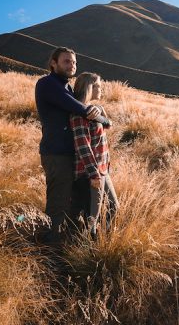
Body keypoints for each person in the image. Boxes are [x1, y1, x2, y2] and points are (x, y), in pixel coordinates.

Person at [35, 47, 107, 246]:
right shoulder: (47, 83)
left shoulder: (66, 87)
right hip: (57, 154)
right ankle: (51, 250)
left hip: (69, 155)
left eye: (74, 62)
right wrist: (104, 119)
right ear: (53, 63)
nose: (72, 65)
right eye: (66, 61)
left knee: (71, 204)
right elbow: (78, 108)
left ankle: (64, 243)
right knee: (58, 204)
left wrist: (95, 113)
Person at [71, 72, 119, 238]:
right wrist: (94, 174)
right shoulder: (78, 113)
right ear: (89, 87)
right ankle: (88, 247)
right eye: (98, 85)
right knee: (92, 218)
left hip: (103, 168)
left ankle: (102, 240)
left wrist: (99, 110)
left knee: (114, 207)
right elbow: (82, 146)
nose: (101, 89)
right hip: (91, 173)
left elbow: (108, 124)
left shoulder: (93, 110)